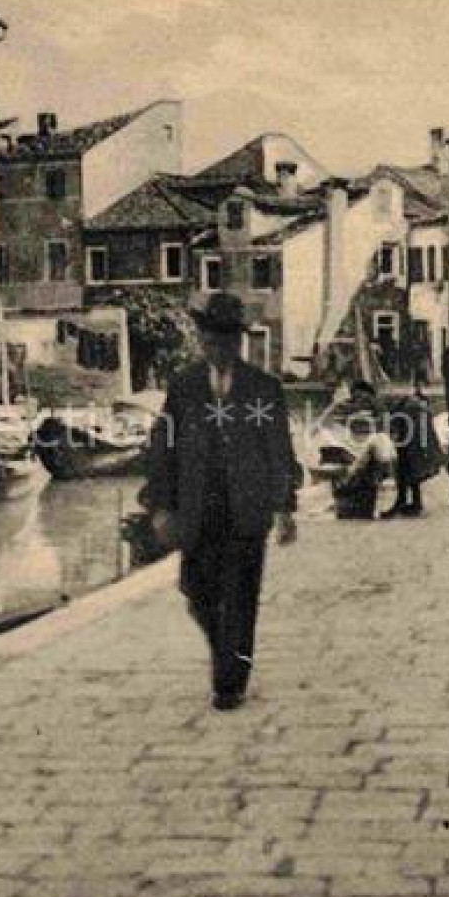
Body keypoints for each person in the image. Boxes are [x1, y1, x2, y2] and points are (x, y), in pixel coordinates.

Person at [144, 292, 302, 712]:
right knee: (196, 592)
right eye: (212, 340)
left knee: (241, 597)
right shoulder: (184, 387)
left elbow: (279, 448)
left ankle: (230, 680)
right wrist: (160, 506)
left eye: (228, 341)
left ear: (239, 342)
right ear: (202, 340)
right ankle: (225, 653)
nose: (219, 348)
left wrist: (285, 506)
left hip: (247, 510)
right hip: (199, 508)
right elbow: (163, 447)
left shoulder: (263, 388)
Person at [382, 384, 438, 518]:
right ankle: (414, 503)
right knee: (411, 472)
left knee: (405, 470)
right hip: (413, 442)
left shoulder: (405, 406)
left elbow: (393, 425)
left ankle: (405, 503)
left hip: (410, 442)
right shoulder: (415, 404)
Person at [331, 410, 396, 520]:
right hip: (381, 478)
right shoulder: (383, 438)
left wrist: (346, 477)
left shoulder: (370, 442)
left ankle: (346, 506)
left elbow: (359, 464)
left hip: (368, 482)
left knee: (341, 477)